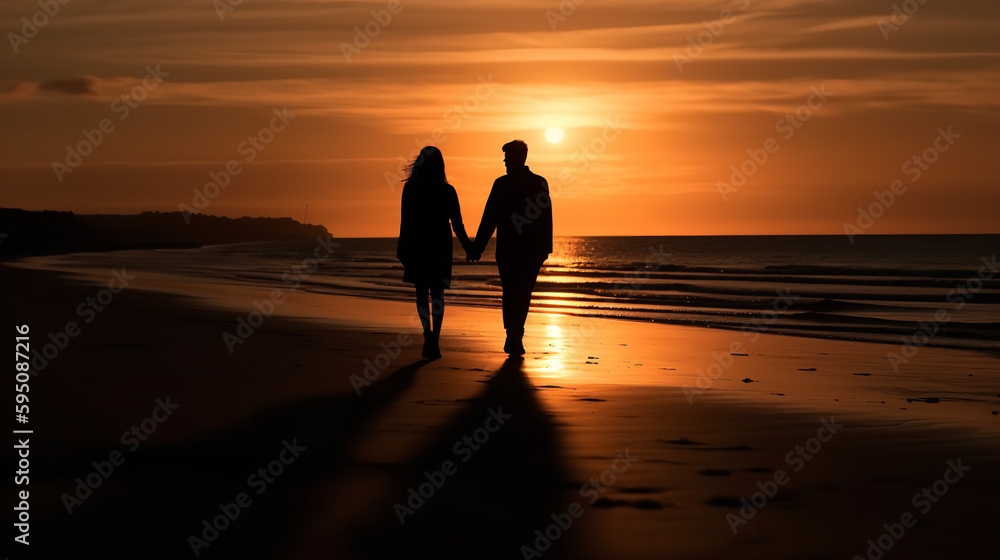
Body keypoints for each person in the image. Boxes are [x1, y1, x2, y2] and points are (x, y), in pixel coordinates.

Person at [468, 140, 553, 356]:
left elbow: (490, 218)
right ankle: (514, 335)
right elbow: (490, 218)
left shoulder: (513, 184)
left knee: (516, 293)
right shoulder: (525, 183)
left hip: (520, 250)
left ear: (519, 157)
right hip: (518, 250)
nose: (504, 160)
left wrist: (477, 247)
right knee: (519, 293)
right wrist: (477, 247)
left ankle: (514, 335)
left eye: (507, 156)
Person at [397, 146, 475, 359]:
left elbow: (406, 221)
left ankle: (427, 336)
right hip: (440, 245)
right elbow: (457, 223)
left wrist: (402, 249)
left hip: (417, 244)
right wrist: (468, 246)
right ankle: (434, 339)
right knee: (438, 294)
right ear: (441, 165)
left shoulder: (411, 188)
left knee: (421, 293)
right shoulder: (447, 190)